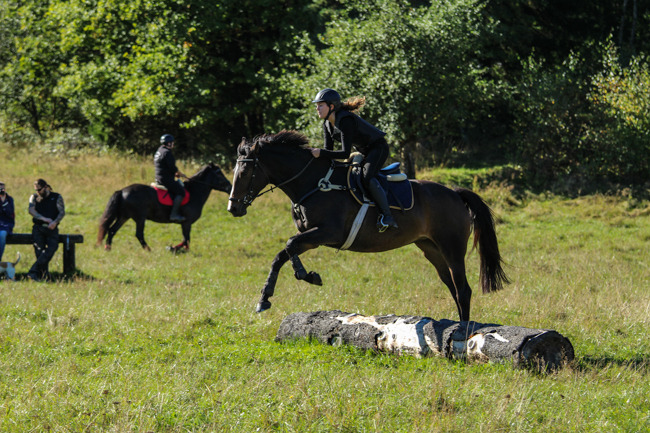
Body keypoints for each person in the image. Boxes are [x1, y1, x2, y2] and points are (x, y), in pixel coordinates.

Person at [310, 88, 398, 231]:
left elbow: (344, 154)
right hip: (365, 151)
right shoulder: (327, 124)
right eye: (317, 105)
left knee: (366, 177)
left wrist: (320, 152)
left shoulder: (345, 120)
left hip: (378, 148)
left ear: (331, 106)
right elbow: (328, 152)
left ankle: (387, 216)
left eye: (320, 105)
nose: (317, 109)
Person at [28, 179, 65, 282]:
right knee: (39, 251)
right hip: (38, 227)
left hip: (51, 228)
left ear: (45, 187)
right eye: (36, 190)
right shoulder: (34, 197)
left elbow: (61, 212)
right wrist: (44, 219)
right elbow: (31, 210)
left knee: (52, 248)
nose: (38, 192)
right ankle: (44, 276)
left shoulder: (56, 197)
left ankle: (33, 271)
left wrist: (55, 222)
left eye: (39, 190)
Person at [154, 134, 187, 223]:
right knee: (181, 192)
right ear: (169, 143)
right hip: (166, 180)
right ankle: (174, 215)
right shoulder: (167, 152)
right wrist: (180, 174)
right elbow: (172, 167)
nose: (173, 144)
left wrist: (175, 173)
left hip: (159, 177)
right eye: (172, 142)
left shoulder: (159, 150)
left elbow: (165, 166)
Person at [0, 181, 16, 262]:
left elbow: (10, 213)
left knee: (2, 235)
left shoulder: (9, 199)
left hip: (6, 224)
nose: (1, 191)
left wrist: (4, 202)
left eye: (2, 189)